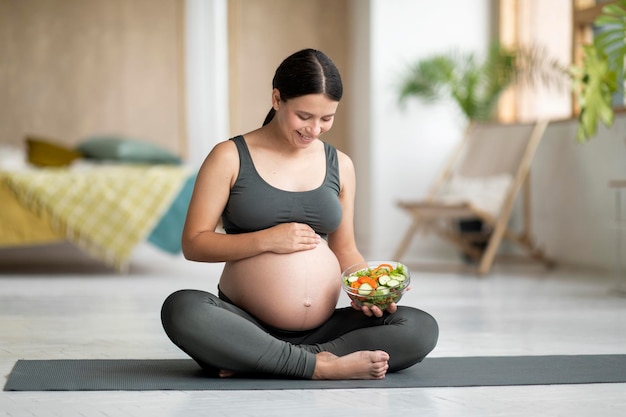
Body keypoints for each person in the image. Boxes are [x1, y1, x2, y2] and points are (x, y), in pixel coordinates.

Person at [161, 48, 438, 380]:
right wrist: (267, 240)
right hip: (243, 321)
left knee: (420, 327)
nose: (315, 130)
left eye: (326, 118)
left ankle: (261, 358)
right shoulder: (229, 156)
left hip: (323, 330)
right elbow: (194, 243)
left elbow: (345, 249)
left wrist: (368, 290)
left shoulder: (341, 165)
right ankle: (317, 365)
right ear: (277, 99)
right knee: (182, 309)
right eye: (304, 116)